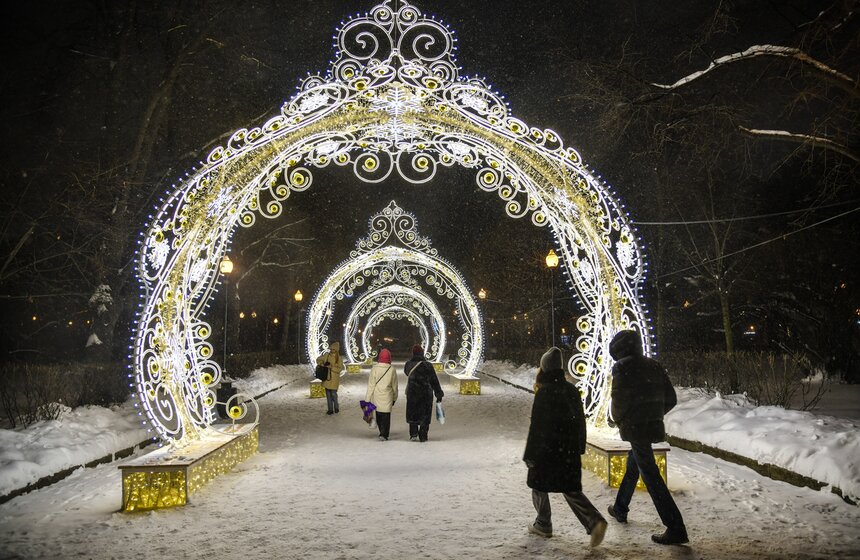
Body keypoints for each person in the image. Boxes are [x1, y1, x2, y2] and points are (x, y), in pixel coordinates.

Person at [607, 330, 689, 545]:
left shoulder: (622, 367)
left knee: (651, 475)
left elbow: (619, 402)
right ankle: (620, 508)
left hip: (635, 428)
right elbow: (671, 398)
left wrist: (619, 419)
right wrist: (653, 413)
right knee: (634, 464)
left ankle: (675, 527)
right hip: (650, 425)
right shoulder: (654, 365)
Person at [523, 347, 608, 548]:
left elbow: (537, 427)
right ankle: (594, 521)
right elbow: (580, 420)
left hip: (547, 450)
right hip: (567, 449)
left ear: (544, 368)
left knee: (537, 485)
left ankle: (543, 523)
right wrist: (579, 446)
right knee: (570, 489)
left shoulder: (543, 393)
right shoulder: (571, 389)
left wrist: (531, 454)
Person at [404, 344, 443, 442]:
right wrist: (438, 393)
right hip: (426, 394)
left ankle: (413, 433)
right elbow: (434, 380)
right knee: (425, 415)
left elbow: (406, 372)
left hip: (412, 393)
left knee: (413, 413)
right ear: (422, 353)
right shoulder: (428, 365)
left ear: (413, 353)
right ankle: (423, 435)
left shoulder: (408, 365)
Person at [366, 348, 398, 441]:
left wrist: (367, 400)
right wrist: (395, 397)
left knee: (379, 414)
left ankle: (382, 432)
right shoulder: (392, 369)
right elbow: (394, 386)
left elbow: (371, 385)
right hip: (387, 396)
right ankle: (384, 434)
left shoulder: (374, 369)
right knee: (386, 416)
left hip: (377, 395)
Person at [316, 341, 344, 415]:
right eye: (331, 349)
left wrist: (331, 367)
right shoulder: (326, 355)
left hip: (334, 379)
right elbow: (318, 359)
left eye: (333, 349)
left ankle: (336, 407)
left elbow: (340, 369)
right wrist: (322, 364)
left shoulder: (339, 358)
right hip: (326, 378)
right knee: (328, 395)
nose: (332, 351)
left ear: (337, 350)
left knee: (334, 394)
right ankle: (330, 409)